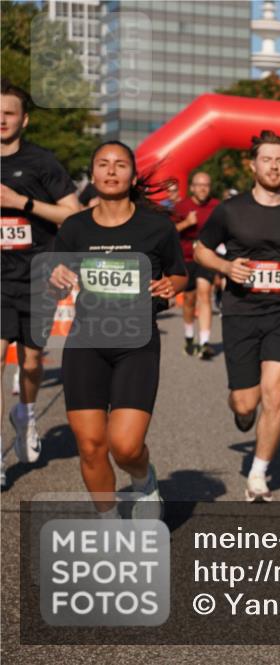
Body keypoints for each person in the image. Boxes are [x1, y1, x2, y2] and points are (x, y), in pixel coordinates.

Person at [48, 140, 187, 519]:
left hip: (136, 343)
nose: (111, 171)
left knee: (124, 446)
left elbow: (178, 275)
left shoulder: (156, 227)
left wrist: (169, 286)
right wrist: (57, 277)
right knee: (91, 444)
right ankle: (108, 522)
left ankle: (143, 480)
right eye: (103, 164)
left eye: (120, 164)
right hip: (86, 342)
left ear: (133, 174)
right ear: (92, 174)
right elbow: (55, 279)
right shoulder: (74, 228)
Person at [195, 130, 280, 502]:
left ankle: (259, 473)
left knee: (275, 392)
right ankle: (245, 417)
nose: (274, 166)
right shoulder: (230, 210)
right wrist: (226, 267)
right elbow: (201, 251)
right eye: (267, 159)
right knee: (245, 403)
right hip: (240, 312)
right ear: (253, 165)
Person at [1, 79, 81, 481]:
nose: (1, 119)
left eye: (9, 112)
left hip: (38, 275)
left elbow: (73, 214)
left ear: (24, 119)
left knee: (32, 362)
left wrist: (21, 204)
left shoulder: (42, 163)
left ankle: (26, 414)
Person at [174, 171, 220, 358]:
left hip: (207, 257)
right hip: (186, 258)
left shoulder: (217, 207)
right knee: (189, 300)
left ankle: (205, 342)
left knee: (204, 294)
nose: (203, 188)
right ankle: (189, 338)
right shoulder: (181, 206)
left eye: (206, 185)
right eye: (199, 185)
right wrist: (186, 223)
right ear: (192, 187)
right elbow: (168, 232)